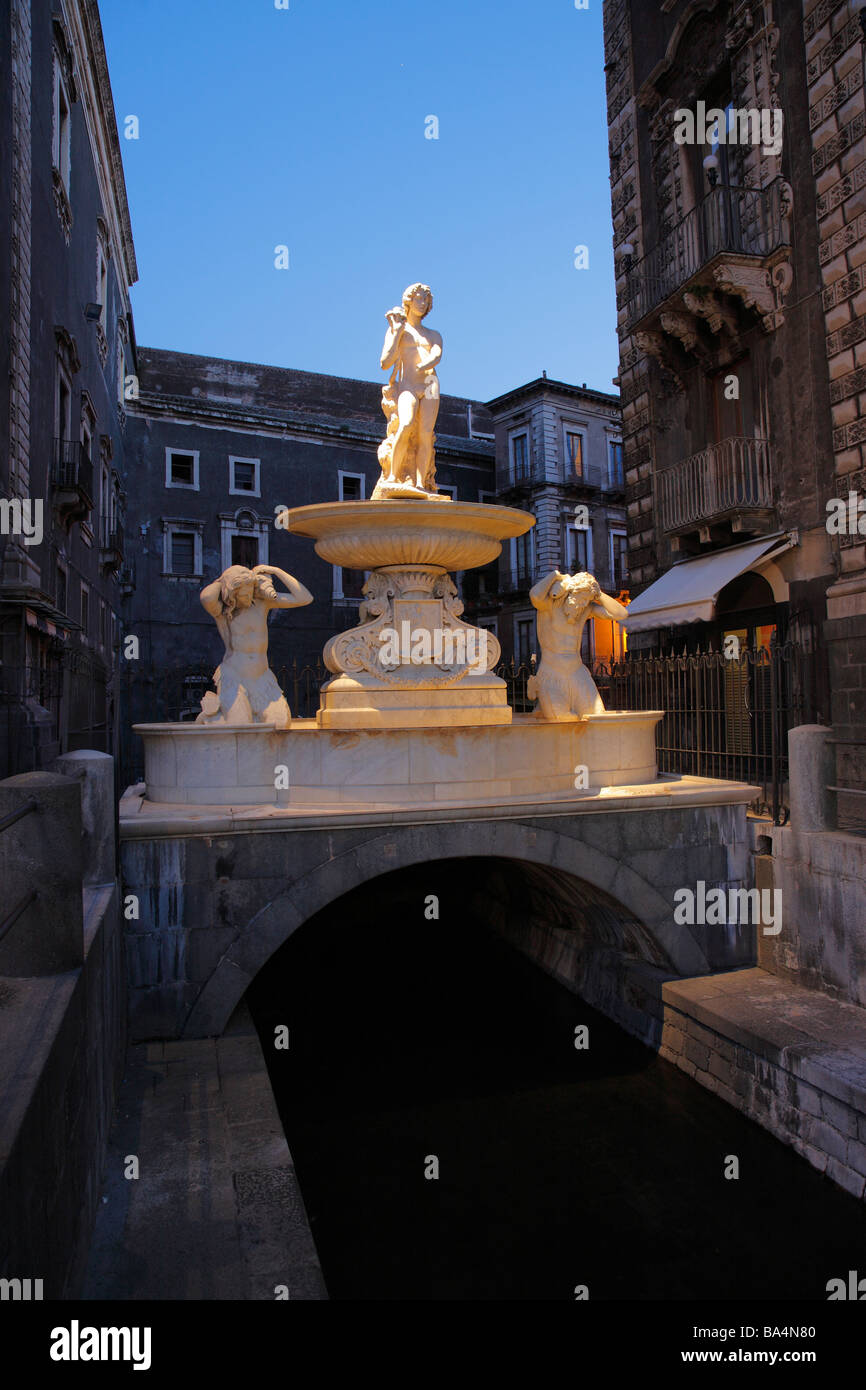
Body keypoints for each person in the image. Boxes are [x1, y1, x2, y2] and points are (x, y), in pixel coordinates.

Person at [197, 564, 312, 728]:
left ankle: (224, 713)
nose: (248, 596)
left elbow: (304, 598)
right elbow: (206, 597)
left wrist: (276, 571)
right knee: (240, 725)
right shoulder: (222, 611)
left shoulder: (261, 603)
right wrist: (225, 579)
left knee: (281, 723)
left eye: (250, 590)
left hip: (262, 678)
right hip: (235, 677)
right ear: (232, 592)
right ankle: (211, 717)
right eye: (243, 593)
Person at [528, 570, 628, 719]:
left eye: (587, 600)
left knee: (597, 717)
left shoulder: (586, 609)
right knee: (562, 720)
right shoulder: (549, 604)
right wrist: (555, 576)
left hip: (577, 673)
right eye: (581, 598)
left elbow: (621, 614)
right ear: (572, 591)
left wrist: (598, 594)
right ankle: (541, 700)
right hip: (552, 673)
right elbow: (534, 596)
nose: (583, 604)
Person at [375, 282, 442, 495]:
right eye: (418, 298)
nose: (422, 303)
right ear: (409, 301)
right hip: (408, 385)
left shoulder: (434, 334)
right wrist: (395, 333)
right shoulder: (399, 329)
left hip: (430, 384)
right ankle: (393, 477)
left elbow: (438, 354)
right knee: (405, 424)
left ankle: (421, 483)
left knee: (425, 434)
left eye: (426, 300)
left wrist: (427, 363)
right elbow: (385, 362)